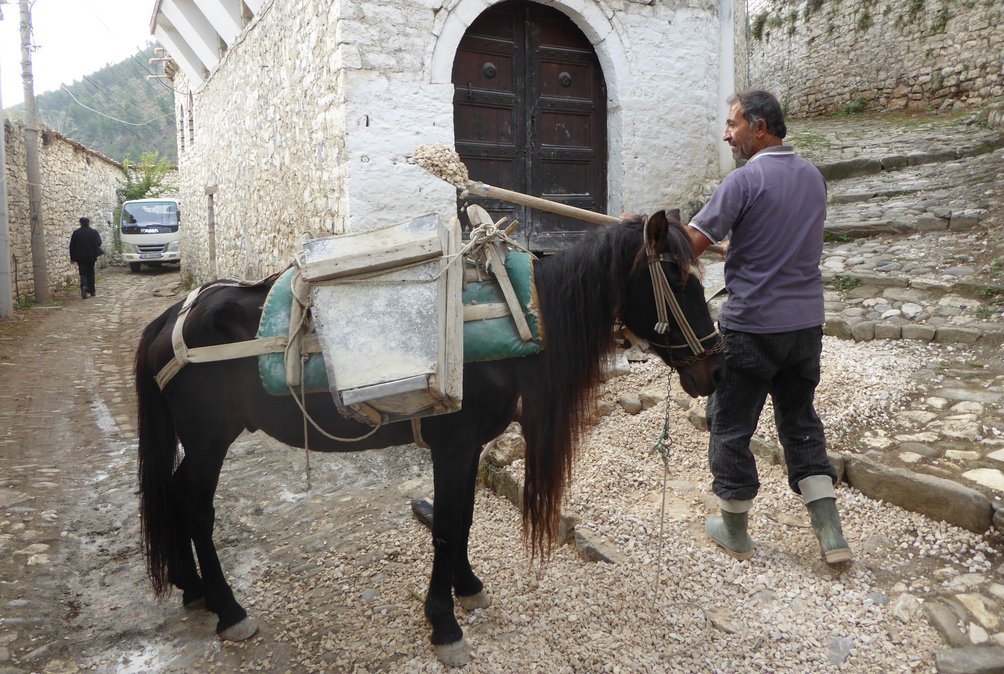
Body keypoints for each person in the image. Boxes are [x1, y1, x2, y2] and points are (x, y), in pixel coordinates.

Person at [685, 90, 851, 565]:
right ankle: (831, 535)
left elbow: (689, 247)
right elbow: (775, 240)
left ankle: (735, 530)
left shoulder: (744, 180)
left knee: (730, 425)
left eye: (732, 124)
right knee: (799, 422)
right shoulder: (814, 178)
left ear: (759, 127)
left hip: (753, 328)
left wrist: (646, 232)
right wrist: (742, 249)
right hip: (804, 327)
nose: (726, 133)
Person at [69, 217, 103, 298]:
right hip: (91, 256)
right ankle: (92, 291)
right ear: (88, 222)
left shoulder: (76, 233)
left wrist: (72, 257)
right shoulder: (93, 232)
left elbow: (72, 246)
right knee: (91, 272)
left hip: (80, 257)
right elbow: (99, 242)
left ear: (80, 223)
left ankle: (84, 287)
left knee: (83, 273)